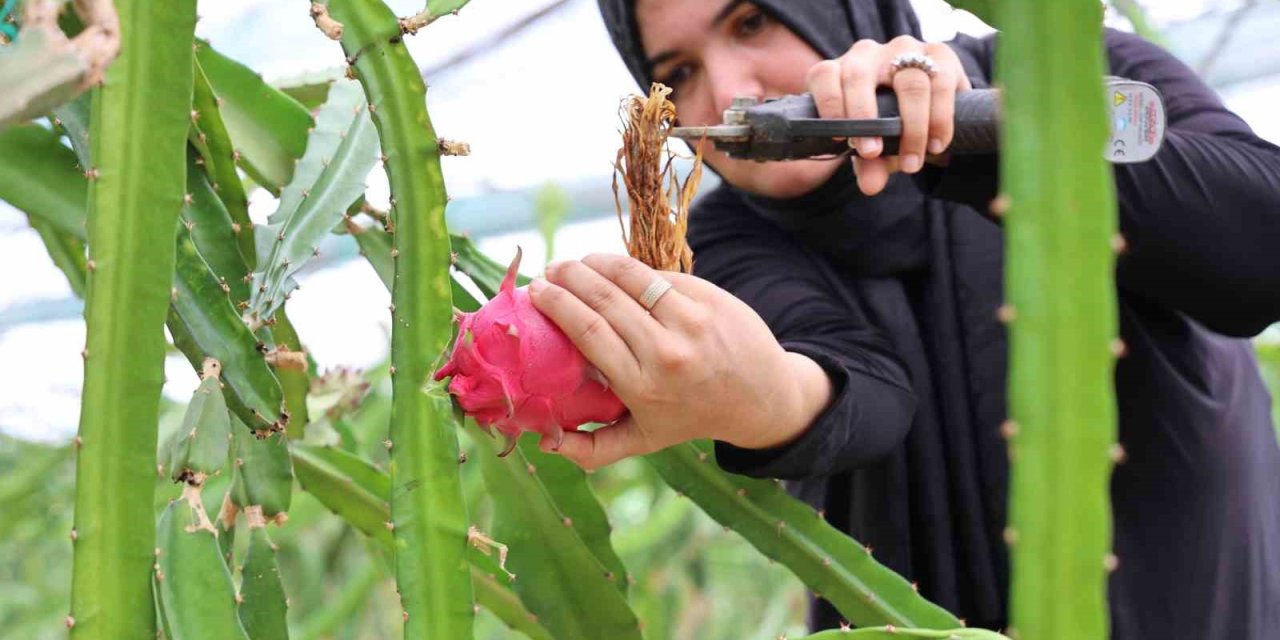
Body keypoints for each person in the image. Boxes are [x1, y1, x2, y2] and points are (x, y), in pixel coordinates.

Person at [526, 0, 1280, 636]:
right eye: (678, 73)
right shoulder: (722, 236)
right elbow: (862, 388)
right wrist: (766, 397)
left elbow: (1257, 251)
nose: (726, 91)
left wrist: (988, 140)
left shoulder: (1061, 72)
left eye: (752, 21)